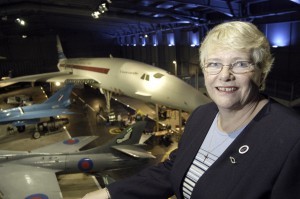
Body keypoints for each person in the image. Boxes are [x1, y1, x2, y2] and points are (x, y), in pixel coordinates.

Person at [82, 21, 300, 199]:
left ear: (262, 72)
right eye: (214, 64)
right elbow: (173, 169)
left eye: (240, 64)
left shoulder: (291, 138)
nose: (225, 75)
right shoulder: (202, 116)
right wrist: (110, 193)